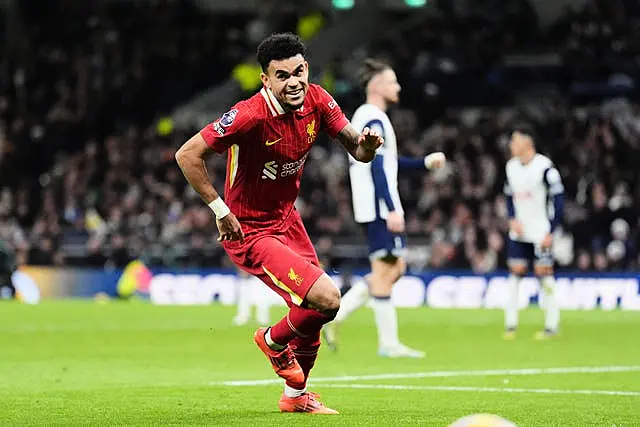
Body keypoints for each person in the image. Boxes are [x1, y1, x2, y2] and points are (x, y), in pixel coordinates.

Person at [175, 33, 383, 414]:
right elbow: (187, 154)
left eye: (299, 71)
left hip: (288, 221)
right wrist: (221, 210)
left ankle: (295, 397)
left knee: (315, 315)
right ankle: (271, 340)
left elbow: (358, 149)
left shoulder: (318, 100)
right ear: (265, 80)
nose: (294, 82)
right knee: (327, 298)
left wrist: (368, 145)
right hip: (249, 229)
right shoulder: (249, 115)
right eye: (283, 75)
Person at [322, 59, 446, 357]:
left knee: (393, 270)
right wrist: (391, 208)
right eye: (392, 81)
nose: (398, 87)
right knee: (384, 272)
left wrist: (423, 164)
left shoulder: (370, 117)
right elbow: (377, 166)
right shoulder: (373, 118)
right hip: (379, 207)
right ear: (376, 85)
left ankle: (335, 319)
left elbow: (388, 162)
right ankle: (387, 344)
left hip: (375, 205)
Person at [503, 124, 564, 340]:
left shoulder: (545, 168)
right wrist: (512, 219)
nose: (511, 145)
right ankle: (510, 325)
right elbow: (509, 196)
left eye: (514, 140)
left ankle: (552, 325)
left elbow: (558, 200)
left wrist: (552, 231)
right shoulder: (511, 167)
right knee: (514, 276)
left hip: (541, 232)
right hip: (519, 232)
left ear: (527, 143)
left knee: (545, 278)